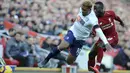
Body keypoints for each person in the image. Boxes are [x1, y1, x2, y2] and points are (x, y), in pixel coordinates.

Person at [38, 1, 113, 69]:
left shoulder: (93, 20)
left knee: (69, 61)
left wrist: (106, 43)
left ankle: (58, 55)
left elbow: (99, 32)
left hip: (80, 40)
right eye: (82, 9)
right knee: (63, 46)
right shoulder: (82, 8)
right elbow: (79, 17)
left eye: (84, 10)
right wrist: (75, 19)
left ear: (90, 10)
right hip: (73, 32)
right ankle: (46, 60)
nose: (82, 11)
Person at [88, 1, 126, 73]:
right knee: (91, 54)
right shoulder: (95, 20)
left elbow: (116, 17)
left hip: (113, 37)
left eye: (96, 9)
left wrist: (121, 21)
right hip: (102, 39)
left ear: (102, 9)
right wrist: (92, 34)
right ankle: (91, 70)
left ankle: (97, 67)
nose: (95, 11)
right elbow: (94, 31)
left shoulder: (110, 13)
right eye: (94, 9)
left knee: (100, 45)